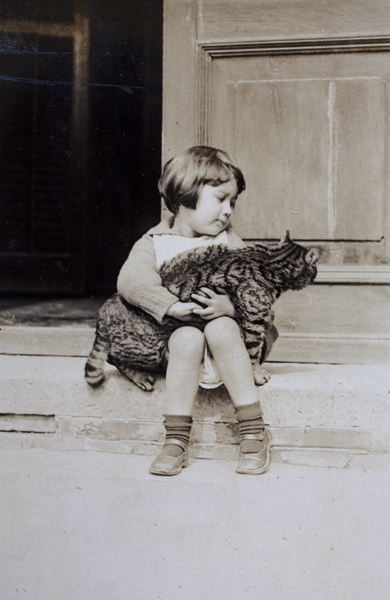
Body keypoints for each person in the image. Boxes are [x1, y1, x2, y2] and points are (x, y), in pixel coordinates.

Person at [117, 146, 276, 476]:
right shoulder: (154, 241)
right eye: (220, 199)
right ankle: (175, 440)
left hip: (229, 345)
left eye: (232, 202)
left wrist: (231, 307)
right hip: (179, 345)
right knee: (187, 337)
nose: (228, 211)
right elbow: (131, 281)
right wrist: (171, 306)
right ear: (184, 196)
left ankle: (253, 431)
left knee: (221, 328)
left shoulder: (228, 243)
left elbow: (258, 293)